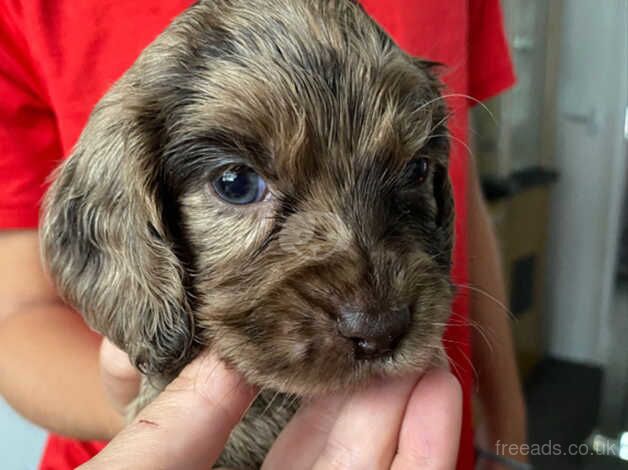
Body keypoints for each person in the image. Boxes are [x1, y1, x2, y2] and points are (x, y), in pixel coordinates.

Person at [0, 0, 527, 469]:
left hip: (428, 439)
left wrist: (507, 440)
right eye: (237, 184)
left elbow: (460, 189)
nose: (375, 312)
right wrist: (170, 413)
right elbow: (15, 316)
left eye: (410, 172)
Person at [81, 353, 462, 469]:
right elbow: (22, 311)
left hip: (431, 427)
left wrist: (503, 435)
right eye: (238, 186)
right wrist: (146, 405)